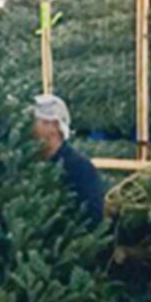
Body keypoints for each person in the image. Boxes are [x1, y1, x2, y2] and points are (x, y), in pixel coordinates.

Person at [32, 94, 105, 223]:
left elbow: (92, 217)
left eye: (34, 121)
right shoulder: (30, 165)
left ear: (54, 125)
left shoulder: (79, 168)